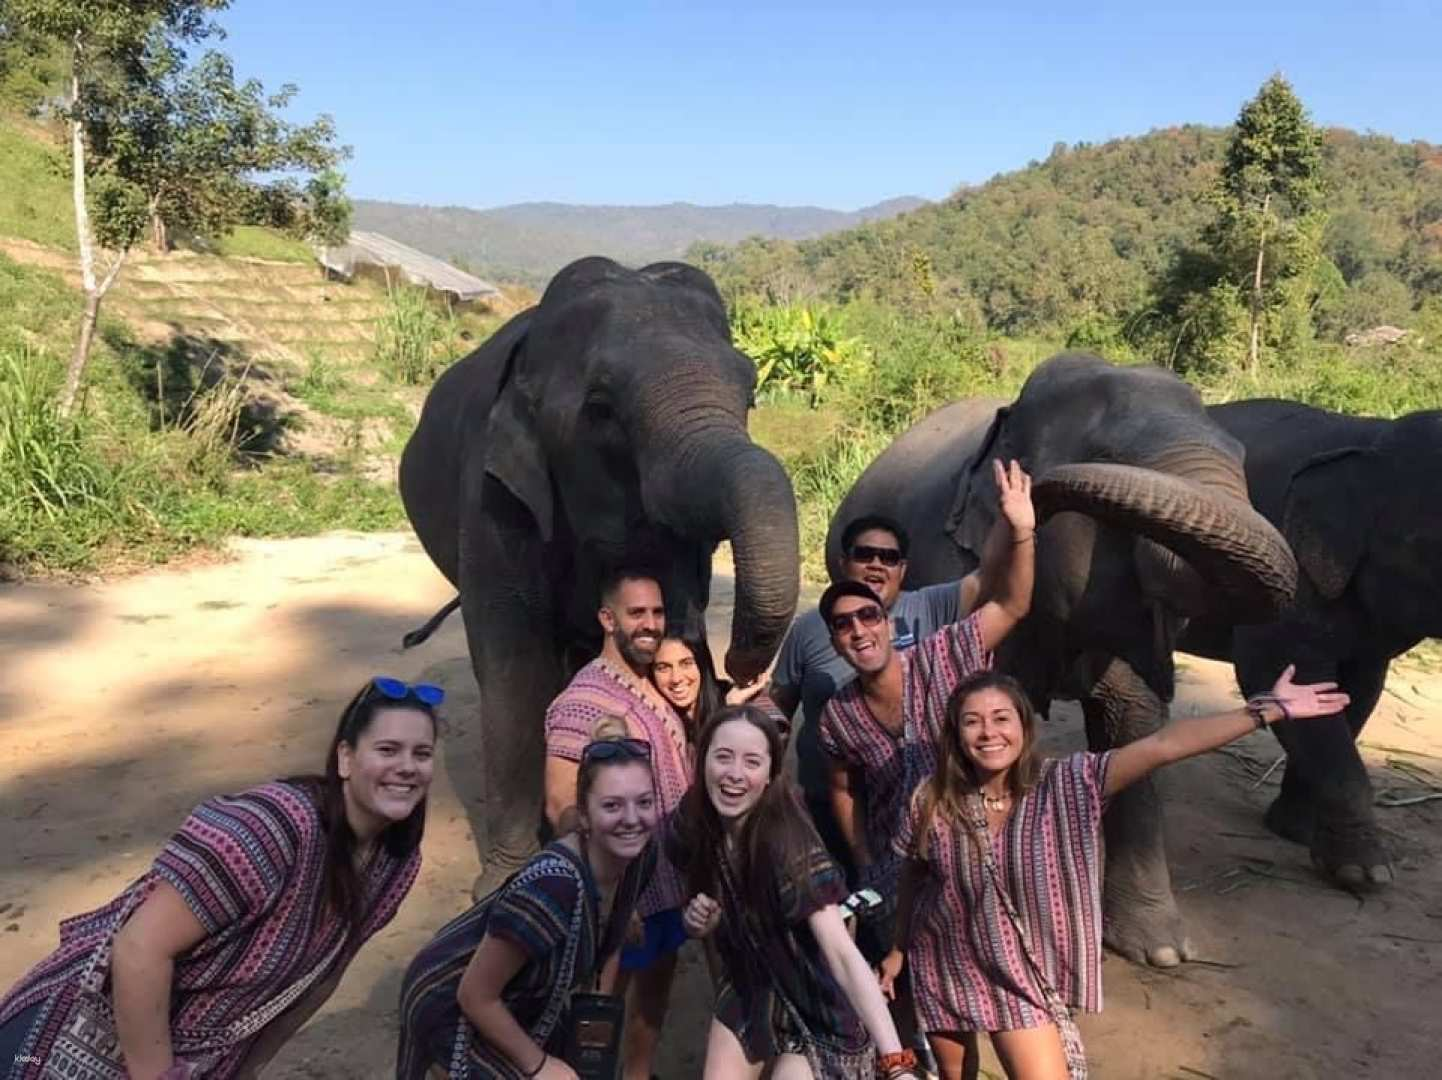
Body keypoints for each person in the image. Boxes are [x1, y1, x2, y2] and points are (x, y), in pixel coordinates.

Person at [882, 667, 1351, 1080]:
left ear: (1024, 726)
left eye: (1001, 718)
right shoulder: (932, 800)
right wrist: (900, 948)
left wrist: (1264, 712)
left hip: (1021, 978)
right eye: (972, 721)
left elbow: (1164, 746)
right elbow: (914, 878)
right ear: (956, 734)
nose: (988, 733)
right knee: (950, 1073)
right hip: (945, 960)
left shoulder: (1069, 784)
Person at [0, 676, 440, 1080]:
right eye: (387, 750)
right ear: (345, 758)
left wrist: (247, 1068)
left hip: (194, 1059)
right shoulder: (271, 828)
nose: (407, 767)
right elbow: (138, 948)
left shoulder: (393, 866)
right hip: (56, 1037)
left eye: (421, 754)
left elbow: (317, 980)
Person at [818, 459, 1036, 1056]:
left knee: (1004, 997)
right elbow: (841, 787)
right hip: (903, 873)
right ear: (833, 639)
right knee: (930, 1017)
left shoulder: (946, 654)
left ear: (889, 621)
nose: (859, 631)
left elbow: (1012, 604)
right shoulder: (837, 714)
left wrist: (1021, 530)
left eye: (868, 616)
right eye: (843, 624)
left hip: (983, 861)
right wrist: (864, 858)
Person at [669, 705, 923, 1080]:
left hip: (819, 1010)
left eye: (752, 762)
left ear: (771, 775)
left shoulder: (787, 843)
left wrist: (896, 1064)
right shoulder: (693, 820)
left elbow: (841, 952)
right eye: (723, 757)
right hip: (752, 989)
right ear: (701, 758)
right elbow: (699, 887)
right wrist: (699, 917)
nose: (735, 774)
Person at [397, 719, 659, 1080]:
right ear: (583, 815)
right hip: (452, 1006)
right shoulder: (552, 888)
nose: (632, 819)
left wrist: (596, 1029)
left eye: (644, 802)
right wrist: (539, 1065)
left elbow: (612, 935)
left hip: (526, 996)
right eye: (612, 806)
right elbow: (475, 995)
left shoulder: (642, 854)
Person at [541, 568, 691, 1080]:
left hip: (667, 881)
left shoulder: (651, 680)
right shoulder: (583, 701)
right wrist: (602, 895)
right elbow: (560, 804)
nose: (649, 624)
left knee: (656, 989)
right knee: (601, 1007)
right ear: (608, 619)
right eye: (636, 614)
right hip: (623, 890)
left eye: (657, 612)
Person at [651, 622, 789, 745]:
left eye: (686, 664)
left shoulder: (739, 698)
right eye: (663, 667)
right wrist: (726, 711)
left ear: (703, 665)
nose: (676, 678)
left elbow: (774, 740)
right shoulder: (656, 715)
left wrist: (734, 711)